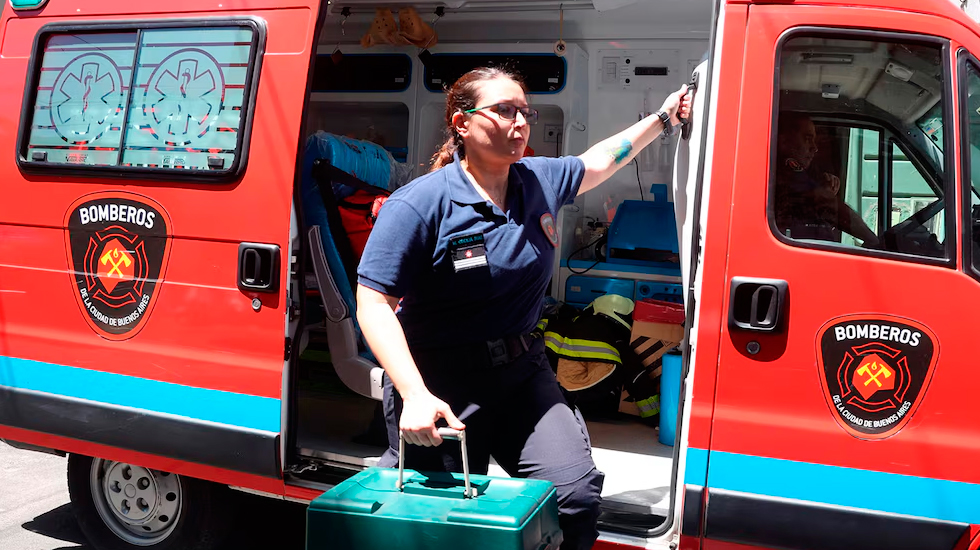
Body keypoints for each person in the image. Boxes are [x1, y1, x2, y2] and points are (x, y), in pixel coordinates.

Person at [355, 66, 690, 550]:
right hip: (440, 381)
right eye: (503, 110)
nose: (519, 122)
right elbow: (374, 303)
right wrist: (413, 394)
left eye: (524, 112)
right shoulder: (420, 204)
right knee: (440, 520)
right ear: (461, 122)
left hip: (520, 372)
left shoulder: (539, 180)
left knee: (573, 497)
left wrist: (662, 118)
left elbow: (601, 160)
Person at [773, 112, 880, 247]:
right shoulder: (783, 170)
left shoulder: (804, 173)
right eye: (807, 139)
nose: (814, 148)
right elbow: (828, 205)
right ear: (784, 141)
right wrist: (873, 239)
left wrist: (824, 188)